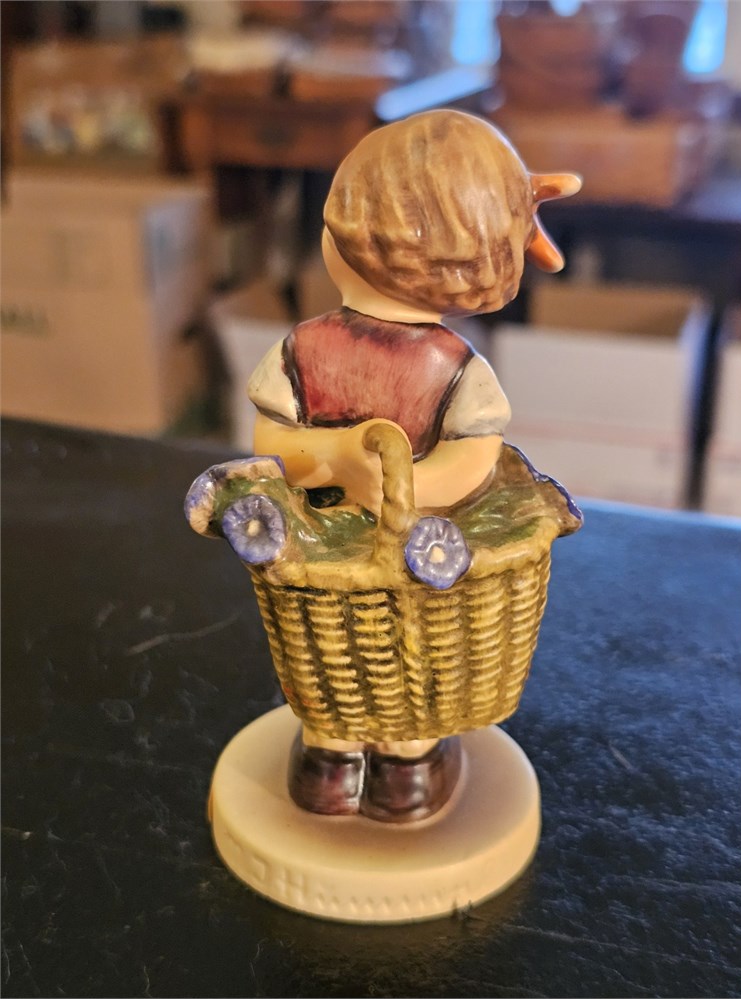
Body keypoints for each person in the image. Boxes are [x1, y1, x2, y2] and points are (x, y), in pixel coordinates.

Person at [245, 109, 581, 820]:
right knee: (353, 657)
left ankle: (393, 760)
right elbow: (272, 437)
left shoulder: (447, 369)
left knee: (394, 660)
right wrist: (340, 458)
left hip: (413, 549)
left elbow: (473, 455)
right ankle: (348, 758)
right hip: (326, 544)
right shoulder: (309, 350)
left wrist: (409, 487)